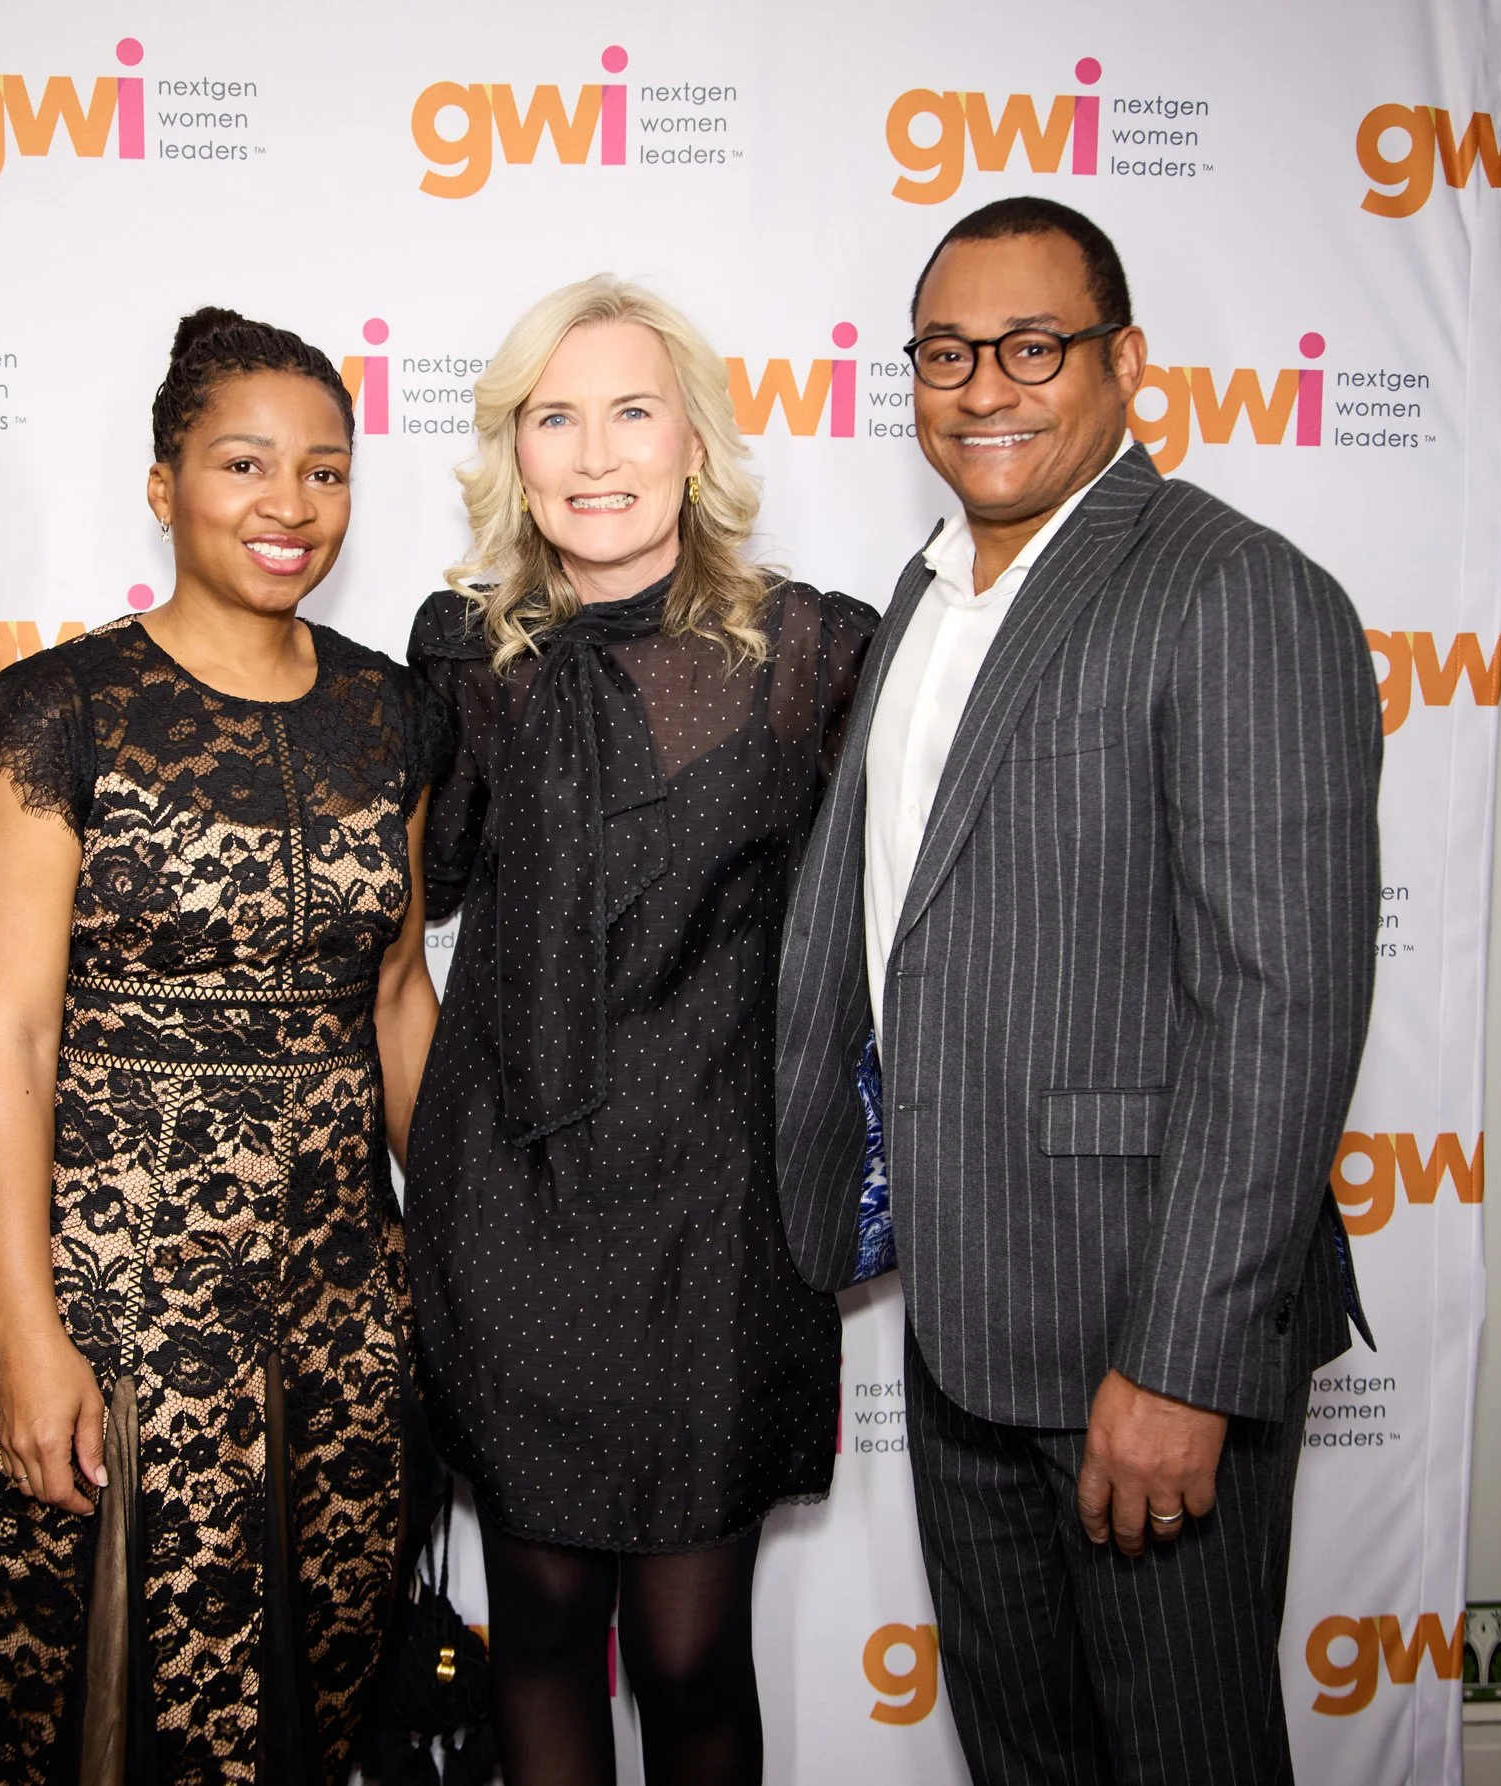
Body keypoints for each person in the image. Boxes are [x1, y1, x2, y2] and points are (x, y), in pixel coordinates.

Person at [773, 196, 1383, 1785]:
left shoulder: (1232, 589)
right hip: (968, 1324)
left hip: (1142, 1332)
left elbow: (1283, 1005)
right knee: (1023, 1758)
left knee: (1187, 1756)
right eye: (949, 352)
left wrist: (1181, 1359)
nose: (987, 387)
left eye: (1033, 347)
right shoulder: (927, 596)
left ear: (1122, 362)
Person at [0, 308, 447, 1785]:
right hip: (125, 1292)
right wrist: (28, 1339)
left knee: (327, 1682)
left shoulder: (387, 710)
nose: (291, 505)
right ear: (165, 484)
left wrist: (460, 1259)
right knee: (144, 1699)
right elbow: (9, 1044)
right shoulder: (54, 712)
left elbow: (399, 997)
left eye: (325, 470)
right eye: (245, 464)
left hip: (346, 1290)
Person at [404, 275, 874, 1786]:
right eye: (556, 415)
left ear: (693, 443)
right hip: (516, 1208)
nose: (594, 453)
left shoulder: (812, 651)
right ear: (514, 450)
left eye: (630, 411)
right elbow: (397, 921)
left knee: (687, 1650)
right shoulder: (465, 656)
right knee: (538, 1626)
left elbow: (914, 918)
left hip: (717, 1220)